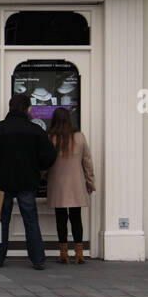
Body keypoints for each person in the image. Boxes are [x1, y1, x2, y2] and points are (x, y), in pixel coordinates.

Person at [0, 92, 57, 270]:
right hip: (27, 181)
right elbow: (50, 155)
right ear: (27, 108)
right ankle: (38, 259)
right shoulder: (36, 131)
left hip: (3, 181)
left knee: (1, 221)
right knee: (30, 220)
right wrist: (39, 169)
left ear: (10, 107)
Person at [46, 107, 95, 264]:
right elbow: (87, 161)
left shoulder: (51, 138)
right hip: (76, 184)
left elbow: (45, 163)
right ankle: (79, 254)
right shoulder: (79, 137)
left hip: (57, 184)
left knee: (61, 218)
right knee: (76, 217)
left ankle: (63, 254)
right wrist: (90, 182)